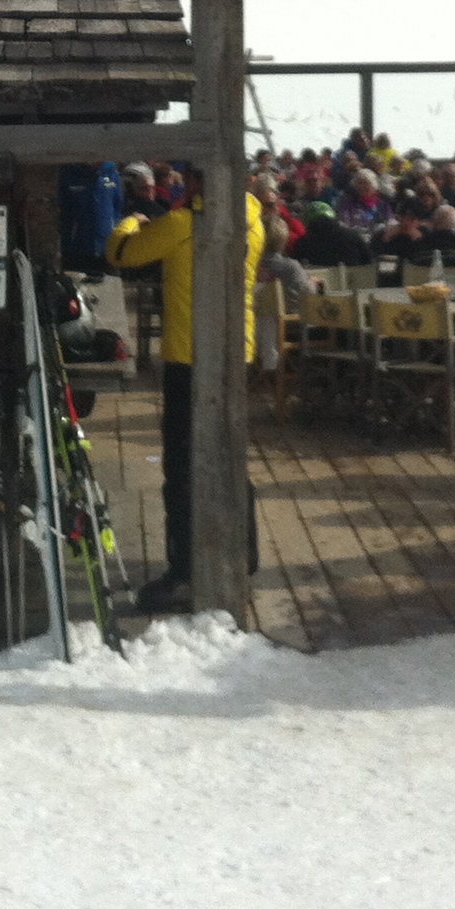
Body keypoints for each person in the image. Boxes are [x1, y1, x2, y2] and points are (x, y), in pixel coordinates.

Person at [107, 185, 266, 614]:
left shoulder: (181, 225)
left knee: (181, 468)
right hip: (235, 354)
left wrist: (134, 220)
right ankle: (243, 556)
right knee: (229, 457)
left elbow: (121, 253)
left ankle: (185, 573)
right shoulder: (253, 220)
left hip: (189, 357)